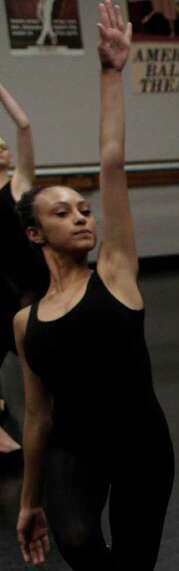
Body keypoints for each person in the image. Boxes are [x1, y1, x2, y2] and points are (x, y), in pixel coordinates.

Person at [13, 1, 179, 571]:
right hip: (75, 447)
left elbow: (112, 161)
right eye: (61, 211)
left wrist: (111, 73)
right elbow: (36, 415)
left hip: (144, 442)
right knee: (80, 541)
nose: (81, 215)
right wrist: (30, 500)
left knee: (127, 567)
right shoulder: (27, 321)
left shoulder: (116, 272)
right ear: (36, 236)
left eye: (82, 207)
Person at [0, 81, 45, 454]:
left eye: (4, 146)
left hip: (34, 281)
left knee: (38, 352)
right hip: (2, 285)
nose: (2, 149)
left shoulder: (19, 183)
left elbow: (25, 126)